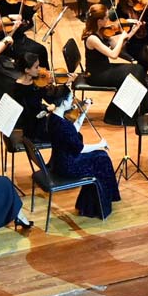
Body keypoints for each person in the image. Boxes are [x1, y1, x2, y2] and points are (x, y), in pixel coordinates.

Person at [44, 86, 120, 219]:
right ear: (64, 102)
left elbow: (72, 131)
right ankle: (97, 207)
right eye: (70, 98)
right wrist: (100, 145)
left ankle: (90, 205)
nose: (73, 100)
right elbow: (80, 148)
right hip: (68, 166)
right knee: (102, 159)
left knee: (101, 157)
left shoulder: (54, 118)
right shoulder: (62, 125)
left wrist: (85, 111)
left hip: (59, 161)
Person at [81, 3, 147, 123]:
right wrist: (121, 37)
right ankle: (114, 115)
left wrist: (132, 31)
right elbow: (113, 55)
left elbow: (117, 46)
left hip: (105, 68)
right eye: (106, 17)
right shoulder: (92, 38)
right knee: (134, 75)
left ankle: (141, 110)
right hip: (96, 75)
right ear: (99, 21)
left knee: (138, 69)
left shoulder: (103, 32)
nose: (109, 20)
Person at [8, 53, 50, 144]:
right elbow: (31, 115)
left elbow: (49, 98)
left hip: (41, 120)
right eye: (36, 67)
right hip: (33, 130)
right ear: (27, 70)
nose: (40, 69)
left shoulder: (36, 82)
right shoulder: (19, 90)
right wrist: (47, 109)